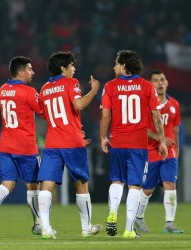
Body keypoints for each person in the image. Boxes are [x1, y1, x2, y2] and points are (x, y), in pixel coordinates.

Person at [100, 50, 168, 239]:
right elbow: (156, 116)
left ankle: (112, 212)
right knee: (135, 186)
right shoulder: (147, 86)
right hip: (138, 144)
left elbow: (105, 115)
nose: (114, 67)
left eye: (116, 63)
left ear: (123, 65)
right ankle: (129, 229)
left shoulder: (110, 86)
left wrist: (103, 137)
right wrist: (161, 140)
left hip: (118, 142)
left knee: (116, 181)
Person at [37, 51, 102, 239]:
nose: (74, 68)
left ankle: (46, 228)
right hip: (72, 142)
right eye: (71, 65)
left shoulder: (44, 89)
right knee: (81, 183)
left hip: (52, 143)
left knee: (46, 185)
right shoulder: (71, 83)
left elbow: (49, 115)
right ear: (63, 68)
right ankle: (86, 227)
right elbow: (79, 104)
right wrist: (94, 90)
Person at [0, 56, 44, 238]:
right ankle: (38, 223)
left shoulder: (2, 90)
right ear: (21, 71)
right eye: (30, 69)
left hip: (6, 145)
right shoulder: (28, 91)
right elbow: (42, 112)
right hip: (25, 146)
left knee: (7, 184)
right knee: (32, 186)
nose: (32, 72)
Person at [135, 70, 184, 234]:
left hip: (169, 153)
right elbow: (140, 128)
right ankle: (138, 217)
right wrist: (159, 138)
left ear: (167, 82)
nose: (160, 83)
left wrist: (176, 149)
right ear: (151, 85)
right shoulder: (145, 105)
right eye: (155, 81)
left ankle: (169, 223)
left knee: (170, 184)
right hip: (150, 152)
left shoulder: (175, 104)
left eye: (162, 80)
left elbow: (176, 129)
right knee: (148, 189)